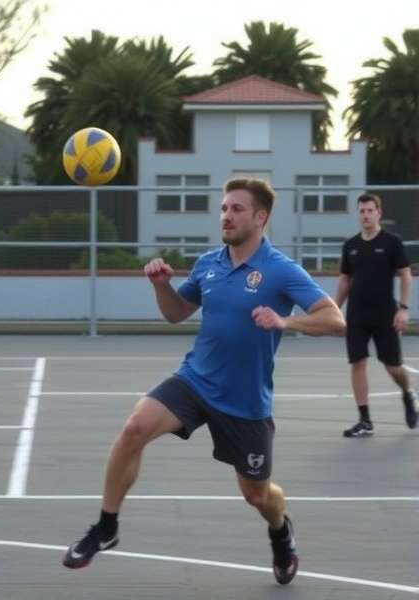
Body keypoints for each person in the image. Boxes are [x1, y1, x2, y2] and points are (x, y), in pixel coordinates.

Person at [61, 178, 345, 585]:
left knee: (258, 496)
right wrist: (162, 287)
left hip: (245, 403)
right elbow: (176, 313)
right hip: (195, 381)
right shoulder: (208, 264)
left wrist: (286, 320)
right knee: (134, 428)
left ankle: (281, 531)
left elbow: (335, 319)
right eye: (224, 208)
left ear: (260, 217)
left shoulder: (281, 270)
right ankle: (107, 527)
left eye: (237, 209)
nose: (227, 216)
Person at [335, 192, 416, 437]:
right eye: (362, 211)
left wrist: (403, 308)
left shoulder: (392, 242)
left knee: (393, 367)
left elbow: (405, 274)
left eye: (371, 210)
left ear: (379, 213)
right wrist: (334, 309)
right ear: (358, 214)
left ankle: (407, 393)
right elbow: (345, 279)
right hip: (357, 315)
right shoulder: (351, 246)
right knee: (357, 363)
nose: (366, 215)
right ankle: (365, 420)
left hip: (385, 315)